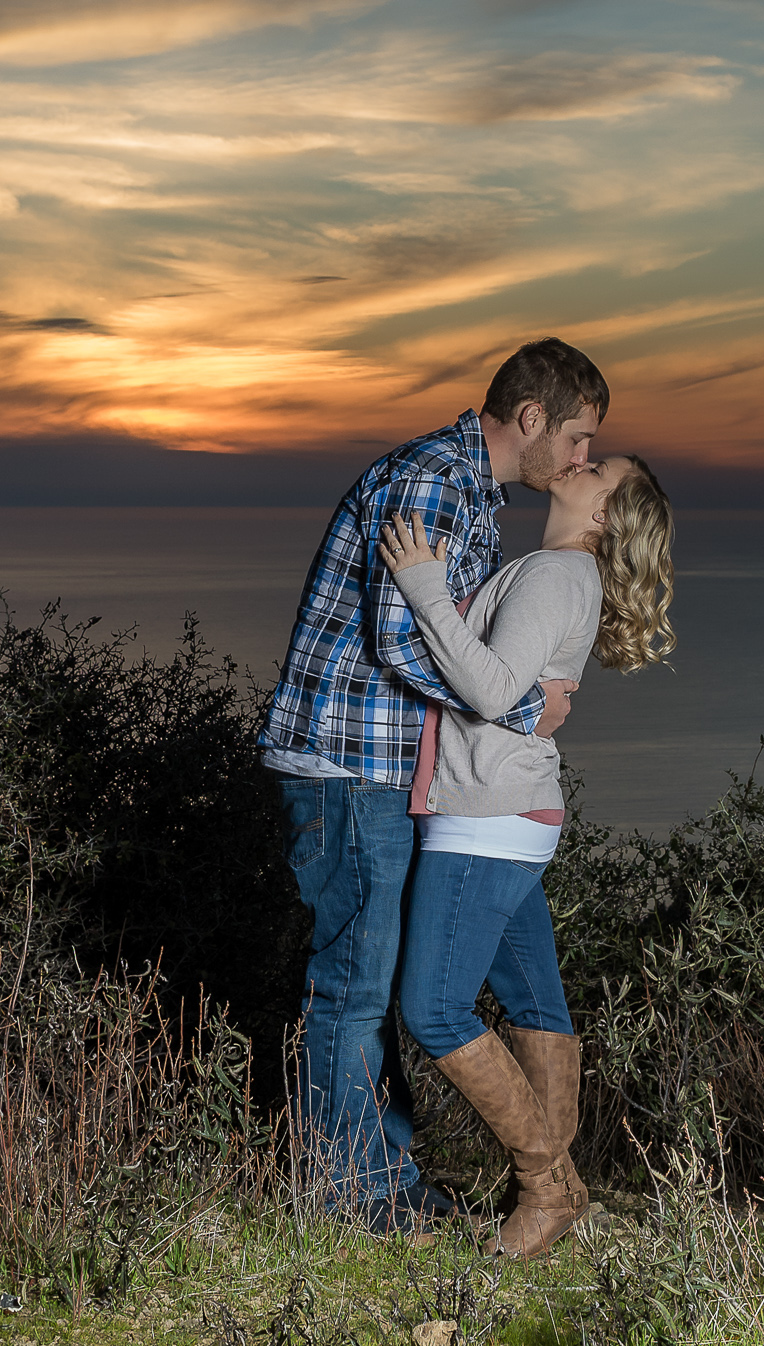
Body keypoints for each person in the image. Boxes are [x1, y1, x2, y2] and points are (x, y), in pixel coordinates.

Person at [260, 338, 607, 1233]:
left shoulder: (471, 492)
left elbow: (453, 632)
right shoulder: (437, 480)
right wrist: (525, 704)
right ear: (532, 419)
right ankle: (357, 1197)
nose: (579, 459)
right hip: (351, 765)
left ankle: (424, 1181)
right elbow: (405, 641)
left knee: (379, 983)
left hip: (390, 771)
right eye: (577, 439)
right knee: (357, 988)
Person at [377, 454, 676, 1258]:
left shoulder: (554, 573)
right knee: (536, 1007)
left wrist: (425, 588)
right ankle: (562, 1193)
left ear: (606, 512)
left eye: (598, 466)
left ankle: (544, 1188)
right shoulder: (562, 573)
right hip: (514, 813)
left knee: (433, 1008)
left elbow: (490, 689)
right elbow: (516, 692)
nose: (579, 460)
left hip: (487, 817)